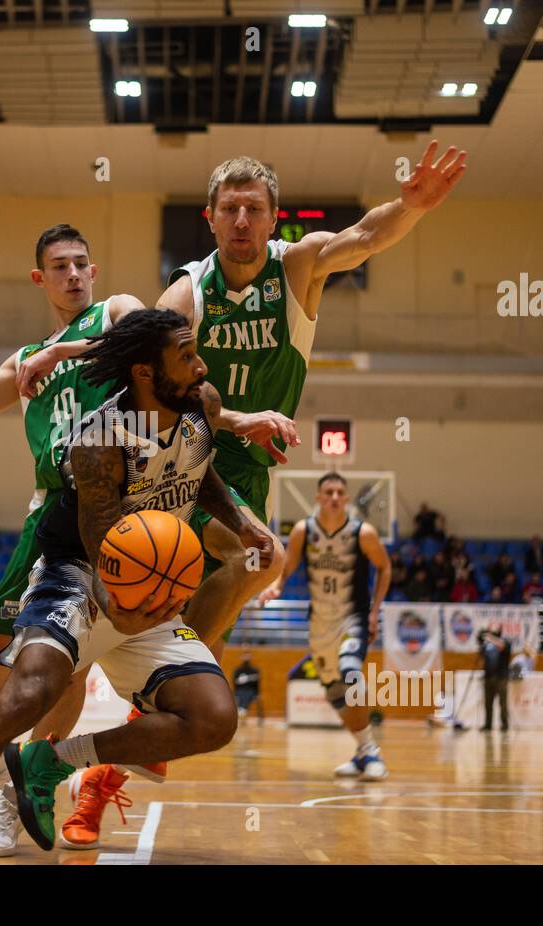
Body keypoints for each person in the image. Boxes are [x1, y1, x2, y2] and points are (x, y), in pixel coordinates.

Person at [0, 308, 279, 864]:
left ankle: (52, 761)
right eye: (185, 356)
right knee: (28, 696)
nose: (201, 366)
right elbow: (99, 544)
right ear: (144, 372)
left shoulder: (199, 404)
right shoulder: (99, 442)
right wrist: (123, 612)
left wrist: (243, 522)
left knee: (214, 718)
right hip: (80, 578)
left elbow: (198, 471)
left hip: (145, 592)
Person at [156, 142, 464, 661]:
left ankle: (147, 694)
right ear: (210, 218)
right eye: (229, 209)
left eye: (253, 209)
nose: (241, 220)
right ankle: (158, 675)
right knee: (259, 557)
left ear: (274, 219)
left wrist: (411, 206)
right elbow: (156, 393)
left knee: (202, 660)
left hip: (251, 476)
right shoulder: (188, 294)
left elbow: (365, 236)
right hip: (186, 461)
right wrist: (236, 418)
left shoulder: (298, 267)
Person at [258, 473, 392, 778]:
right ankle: (364, 751)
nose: (334, 497)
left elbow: (384, 567)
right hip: (318, 624)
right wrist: (276, 587)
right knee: (335, 694)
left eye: (339, 492)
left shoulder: (364, 533)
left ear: (346, 499)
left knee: (351, 673)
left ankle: (372, 754)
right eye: (328, 492)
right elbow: (288, 566)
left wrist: (374, 612)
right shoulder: (305, 531)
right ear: (318, 497)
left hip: (351, 617)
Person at [479, 628, 511, 731]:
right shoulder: (487, 644)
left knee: (502, 703)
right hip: (488, 677)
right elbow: (481, 655)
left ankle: (504, 725)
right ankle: (488, 725)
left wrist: (490, 637)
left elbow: (502, 646)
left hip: (501, 677)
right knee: (488, 703)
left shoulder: (505, 641)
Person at [232, 652, 264, 722]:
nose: (247, 658)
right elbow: (234, 682)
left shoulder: (255, 670)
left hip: (251, 691)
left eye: (248, 656)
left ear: (251, 658)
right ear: (242, 657)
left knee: (248, 693)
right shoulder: (238, 670)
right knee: (242, 693)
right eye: (245, 656)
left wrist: (258, 693)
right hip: (240, 690)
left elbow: (257, 684)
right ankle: (243, 709)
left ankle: (242, 709)